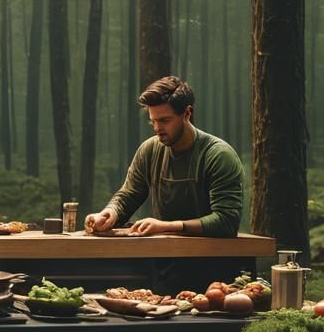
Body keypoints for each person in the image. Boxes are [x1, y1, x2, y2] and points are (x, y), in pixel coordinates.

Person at [86, 76, 243, 238]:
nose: (157, 128)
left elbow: (227, 221)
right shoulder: (149, 150)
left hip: (212, 253)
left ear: (187, 113)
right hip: (163, 251)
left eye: (164, 120)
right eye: (152, 121)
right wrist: (110, 213)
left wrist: (167, 226)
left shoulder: (218, 155)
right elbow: (129, 195)